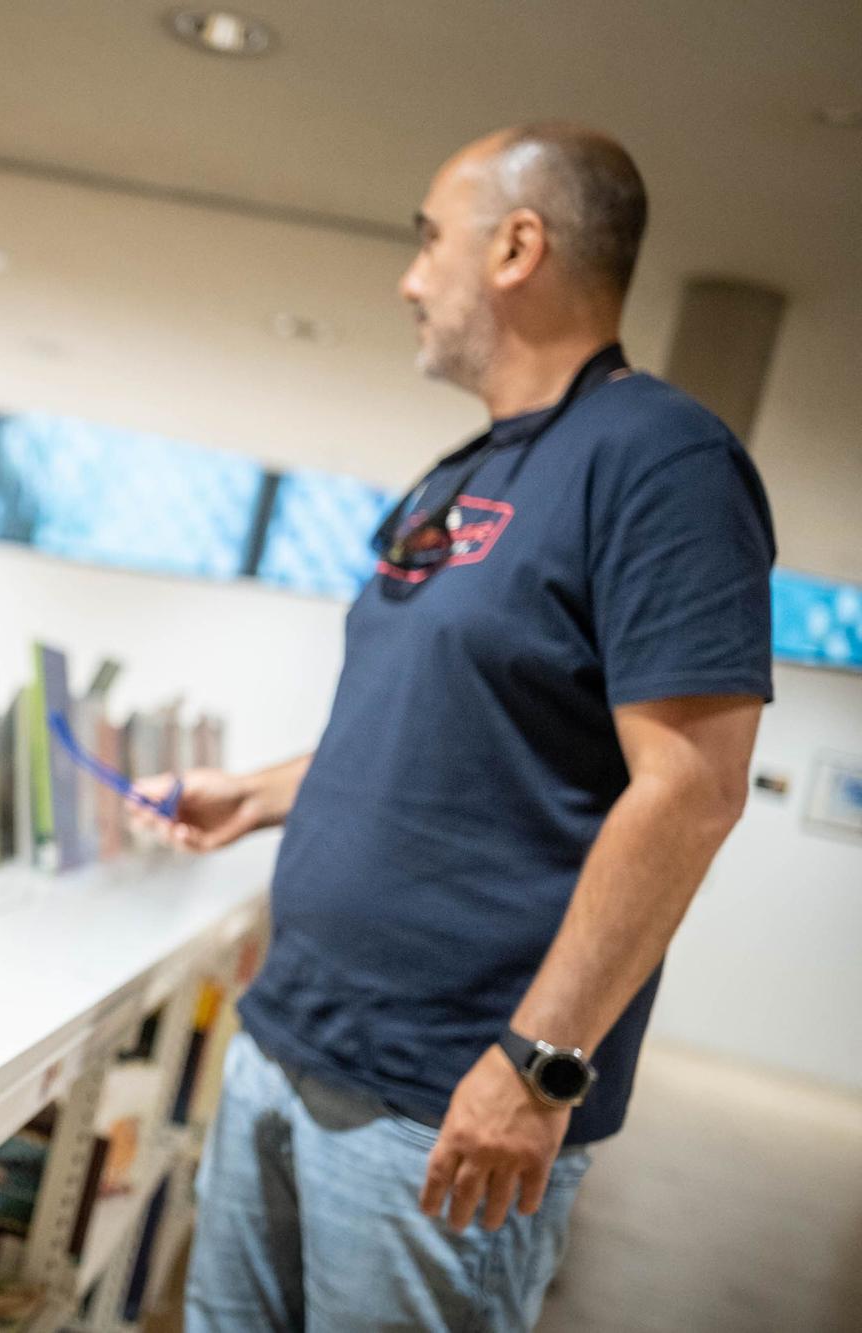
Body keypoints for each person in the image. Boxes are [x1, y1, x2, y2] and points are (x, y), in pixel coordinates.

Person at [145, 124, 775, 1331]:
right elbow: (424, 726)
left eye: (429, 238)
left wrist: (536, 1068)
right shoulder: (460, 474)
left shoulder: (660, 460)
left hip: (440, 1105)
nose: (407, 275)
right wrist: (261, 792)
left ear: (515, 246)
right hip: (285, 1040)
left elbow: (690, 788)